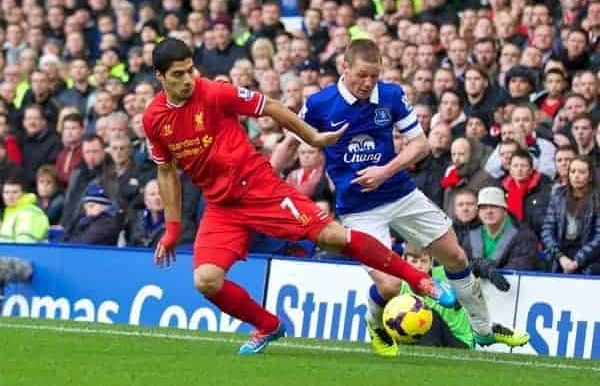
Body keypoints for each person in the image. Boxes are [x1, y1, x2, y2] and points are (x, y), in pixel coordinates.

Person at [143, 38, 452, 356]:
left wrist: (313, 136)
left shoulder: (215, 92)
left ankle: (419, 280)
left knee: (332, 236)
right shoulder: (154, 120)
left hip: (260, 188)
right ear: (160, 76)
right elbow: (166, 172)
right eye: (178, 74)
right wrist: (172, 229)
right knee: (206, 280)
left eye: (190, 70)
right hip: (221, 205)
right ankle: (268, 325)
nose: (187, 79)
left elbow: (272, 106)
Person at [272, 38, 529, 357]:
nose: (368, 83)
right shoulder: (320, 104)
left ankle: (484, 331)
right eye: (361, 75)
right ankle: (375, 324)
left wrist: (385, 170)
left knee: (456, 258)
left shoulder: (391, 95)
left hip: (400, 193)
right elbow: (289, 145)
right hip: (358, 209)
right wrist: (262, 179)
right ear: (345, 67)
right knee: (390, 286)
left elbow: (419, 145)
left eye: (374, 76)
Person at [462, 186, 540, 282]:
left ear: (505, 210)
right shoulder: (469, 236)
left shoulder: (525, 237)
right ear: (478, 212)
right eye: (483, 207)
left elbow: (518, 270)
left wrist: (489, 271)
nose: (488, 211)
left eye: (494, 206)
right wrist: (477, 267)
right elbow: (461, 267)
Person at [541, 156, 600, 274]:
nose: (576, 176)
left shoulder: (597, 199)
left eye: (582, 172)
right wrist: (560, 257)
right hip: (561, 255)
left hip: (590, 257)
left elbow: (599, 237)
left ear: (590, 176)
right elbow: (547, 230)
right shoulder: (558, 196)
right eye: (573, 171)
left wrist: (578, 260)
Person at [0, 172, 49, 243]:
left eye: (15, 192)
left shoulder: (29, 213)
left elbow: (24, 245)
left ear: (23, 194)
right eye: (6, 192)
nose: (10, 197)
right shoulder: (12, 213)